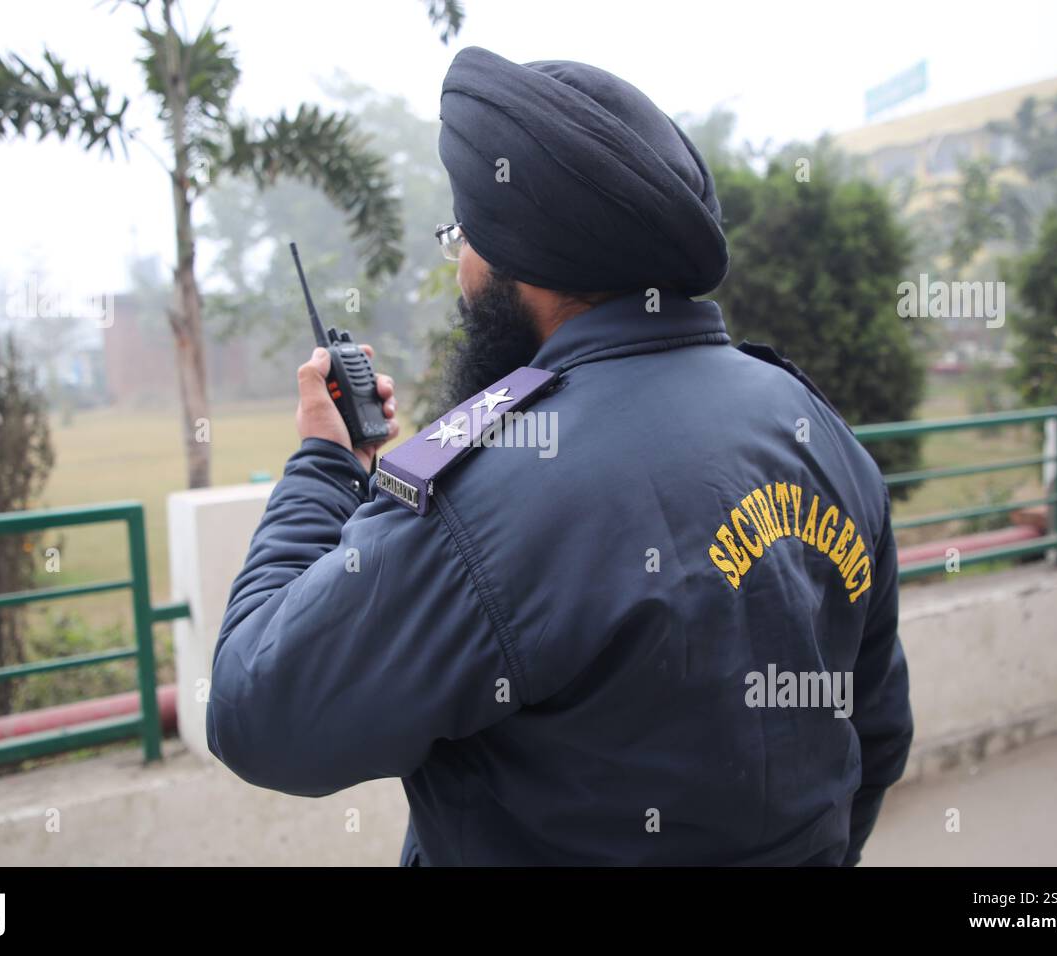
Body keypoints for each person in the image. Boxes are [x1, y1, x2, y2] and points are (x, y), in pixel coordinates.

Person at [206, 45, 913, 866]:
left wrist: (327, 466)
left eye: (461, 238)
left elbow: (259, 714)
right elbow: (874, 738)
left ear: (517, 255)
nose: (461, 268)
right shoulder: (811, 423)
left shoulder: (482, 496)